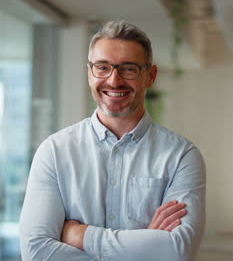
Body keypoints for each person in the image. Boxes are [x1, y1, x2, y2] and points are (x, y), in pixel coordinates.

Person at [19, 20, 206, 260]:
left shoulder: (181, 156)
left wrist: (80, 234)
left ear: (150, 75)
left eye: (128, 69)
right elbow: (36, 252)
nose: (114, 80)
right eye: (102, 67)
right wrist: (145, 247)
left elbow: (178, 251)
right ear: (89, 74)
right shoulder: (54, 152)